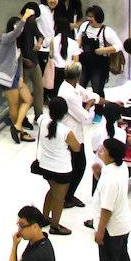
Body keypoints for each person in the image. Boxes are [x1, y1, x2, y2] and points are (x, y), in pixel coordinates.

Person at [92, 136, 131, 261]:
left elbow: (107, 209)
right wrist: (98, 174)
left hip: (112, 228)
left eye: (104, 150)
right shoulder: (120, 167)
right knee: (123, 259)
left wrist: (100, 231)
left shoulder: (110, 180)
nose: (100, 151)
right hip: (123, 224)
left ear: (111, 155)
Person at [35, 94, 81, 235]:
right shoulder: (66, 132)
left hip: (45, 166)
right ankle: (55, 226)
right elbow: (77, 148)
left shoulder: (42, 120)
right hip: (62, 170)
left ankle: (44, 217)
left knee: (52, 190)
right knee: (59, 198)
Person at [57, 61, 95, 209]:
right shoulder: (68, 94)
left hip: (75, 132)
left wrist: (93, 99)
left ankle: (68, 195)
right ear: (78, 76)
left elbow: (87, 94)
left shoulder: (72, 86)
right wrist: (89, 106)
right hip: (71, 133)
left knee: (77, 165)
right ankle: (67, 196)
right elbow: (85, 117)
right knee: (78, 165)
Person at [0, 15, 35, 142]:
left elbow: (19, 62)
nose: (18, 29)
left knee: (28, 99)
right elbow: (16, 32)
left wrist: (20, 77)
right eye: (15, 26)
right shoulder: (6, 38)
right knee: (13, 106)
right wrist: (24, 17)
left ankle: (17, 125)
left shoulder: (18, 43)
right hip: (7, 77)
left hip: (15, 76)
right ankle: (19, 131)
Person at [79, 5, 121, 98]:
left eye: (91, 17)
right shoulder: (84, 26)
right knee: (80, 87)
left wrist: (103, 50)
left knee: (97, 90)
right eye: (88, 16)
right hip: (84, 62)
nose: (88, 19)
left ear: (98, 17)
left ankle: (99, 111)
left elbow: (119, 46)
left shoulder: (106, 31)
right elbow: (79, 38)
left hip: (99, 65)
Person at [17, 3, 46, 129]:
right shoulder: (17, 26)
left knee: (39, 88)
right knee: (23, 94)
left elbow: (40, 35)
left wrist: (39, 43)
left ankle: (39, 115)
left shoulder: (32, 23)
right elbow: (14, 48)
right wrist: (23, 59)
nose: (33, 19)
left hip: (34, 61)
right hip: (22, 65)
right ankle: (21, 118)